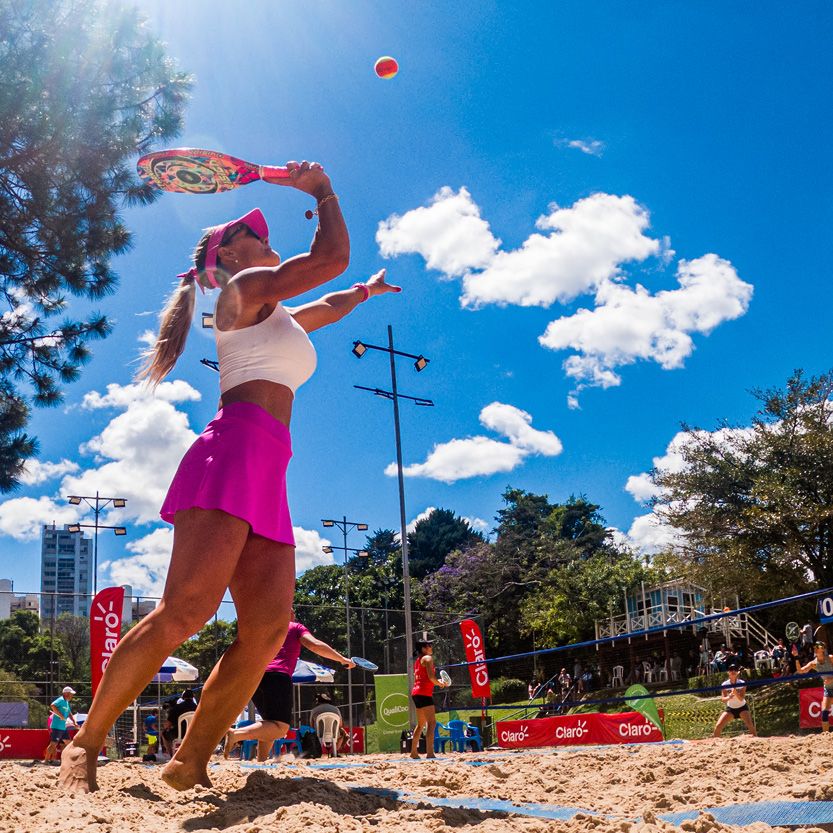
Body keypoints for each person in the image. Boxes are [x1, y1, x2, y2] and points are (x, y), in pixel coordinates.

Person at [58, 161, 400, 794]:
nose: (262, 232)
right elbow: (329, 260)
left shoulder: (274, 312)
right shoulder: (235, 297)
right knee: (183, 612)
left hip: (269, 468)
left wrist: (365, 296)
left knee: (269, 629)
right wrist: (324, 190)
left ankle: (189, 759)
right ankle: (85, 744)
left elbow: (326, 298)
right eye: (248, 230)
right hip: (231, 453)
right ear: (223, 261)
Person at [223, 616, 354, 762]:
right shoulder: (294, 627)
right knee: (281, 728)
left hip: (255, 676)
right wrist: (342, 659)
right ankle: (236, 734)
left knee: (270, 724)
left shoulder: (265, 628)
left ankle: (261, 762)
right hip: (278, 675)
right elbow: (315, 645)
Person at [410, 635, 450, 760]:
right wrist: (439, 683)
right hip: (424, 694)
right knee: (432, 723)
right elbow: (431, 677)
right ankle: (430, 753)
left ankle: (413, 753)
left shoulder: (418, 660)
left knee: (420, 724)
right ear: (423, 648)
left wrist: (437, 682)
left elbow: (426, 678)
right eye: (428, 645)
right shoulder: (427, 658)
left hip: (416, 693)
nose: (431, 647)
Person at [713, 664, 757, 738]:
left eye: (735, 669)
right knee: (718, 726)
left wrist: (736, 693)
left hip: (742, 707)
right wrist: (729, 697)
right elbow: (723, 699)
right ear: (728, 672)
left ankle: (757, 740)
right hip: (730, 709)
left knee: (750, 725)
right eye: (731, 669)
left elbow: (741, 699)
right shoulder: (724, 684)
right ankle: (715, 744)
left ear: (738, 672)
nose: (733, 671)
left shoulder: (742, 683)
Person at [799, 641, 833, 733]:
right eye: (815, 647)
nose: (815, 648)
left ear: (823, 649)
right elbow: (800, 671)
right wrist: (796, 657)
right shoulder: (813, 663)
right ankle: (826, 738)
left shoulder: (830, 658)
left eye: (818, 647)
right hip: (828, 689)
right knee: (824, 713)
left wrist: (831, 679)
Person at [45, 687, 79, 763]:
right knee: (53, 744)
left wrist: (74, 722)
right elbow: (52, 705)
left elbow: (69, 713)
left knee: (67, 743)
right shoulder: (61, 700)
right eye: (71, 694)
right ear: (66, 693)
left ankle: (64, 760)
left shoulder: (66, 702)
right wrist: (60, 715)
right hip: (57, 727)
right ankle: (46, 760)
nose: (72, 696)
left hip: (63, 727)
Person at [162, 690, 198, 756]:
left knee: (164, 734)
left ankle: (171, 756)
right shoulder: (198, 708)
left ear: (183, 697)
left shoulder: (176, 708)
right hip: (194, 734)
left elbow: (167, 725)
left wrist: (167, 727)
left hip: (179, 734)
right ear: (193, 697)